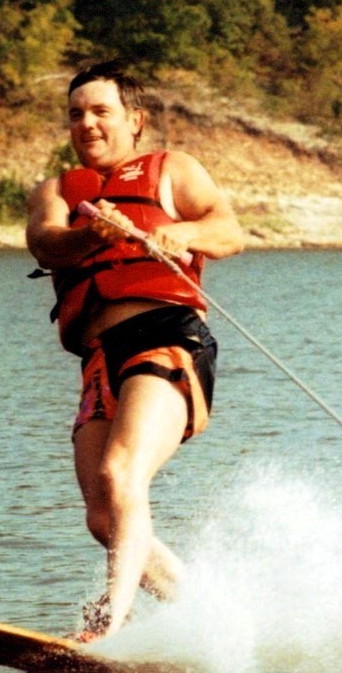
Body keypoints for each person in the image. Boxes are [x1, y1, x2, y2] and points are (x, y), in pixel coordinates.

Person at [26, 60, 244, 641]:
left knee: (121, 472)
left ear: (135, 121)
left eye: (101, 111)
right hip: (100, 357)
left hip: (167, 337)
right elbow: (46, 243)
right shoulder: (57, 192)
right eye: (76, 114)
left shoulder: (175, 170)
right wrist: (88, 235)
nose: (87, 124)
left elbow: (229, 231)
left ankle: (109, 619)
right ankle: (212, 616)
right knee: (104, 514)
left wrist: (185, 233)